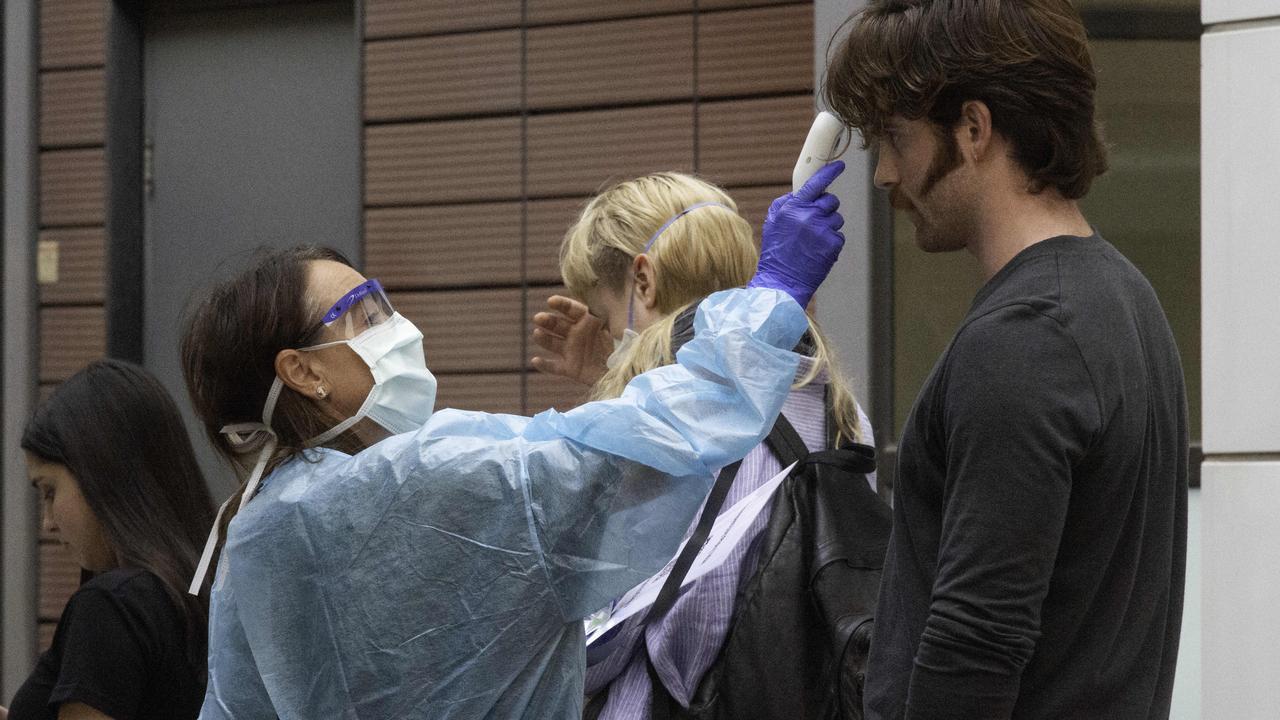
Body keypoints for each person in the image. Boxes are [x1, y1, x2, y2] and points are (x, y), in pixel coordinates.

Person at [179, 163, 847, 719]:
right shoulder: (420, 479)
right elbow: (634, 451)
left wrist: (602, 382)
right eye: (366, 313)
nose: (397, 326)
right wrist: (772, 298)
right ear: (303, 372)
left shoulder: (259, 529)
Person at [822, 2, 1188, 718]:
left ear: (974, 128)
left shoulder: (1024, 339)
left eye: (896, 138)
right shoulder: (1121, 297)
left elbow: (974, 648)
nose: (885, 175)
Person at [531, 171, 876, 718]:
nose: (611, 335)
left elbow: (630, 622)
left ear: (642, 278)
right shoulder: (834, 400)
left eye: (604, 314)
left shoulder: (659, 413)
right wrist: (610, 371)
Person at [3, 360, 215, 720]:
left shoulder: (112, 606)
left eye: (50, 491)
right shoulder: (209, 587)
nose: (48, 522)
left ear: (99, 473)